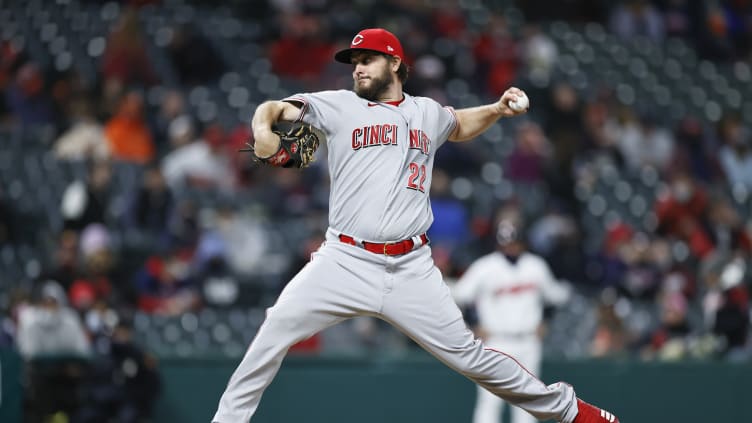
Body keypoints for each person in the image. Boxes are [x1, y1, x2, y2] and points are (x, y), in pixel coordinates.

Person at [212, 28, 619, 423]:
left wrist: (495, 110)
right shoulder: (339, 105)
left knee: (471, 357)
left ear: (394, 62)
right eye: (355, 62)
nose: (358, 68)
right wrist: (263, 130)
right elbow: (274, 108)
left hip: (411, 267)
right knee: (274, 330)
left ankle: (569, 411)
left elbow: (457, 124)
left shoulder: (425, 111)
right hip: (345, 259)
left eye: (367, 59)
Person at [452, 219, 572, 423]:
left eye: (514, 241)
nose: (510, 246)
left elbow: (556, 296)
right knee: (490, 401)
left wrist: (546, 320)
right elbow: (461, 296)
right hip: (497, 342)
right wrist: (474, 323)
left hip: (528, 341)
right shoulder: (485, 267)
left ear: (523, 242)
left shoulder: (535, 266)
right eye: (506, 242)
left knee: (529, 401)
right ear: (498, 243)